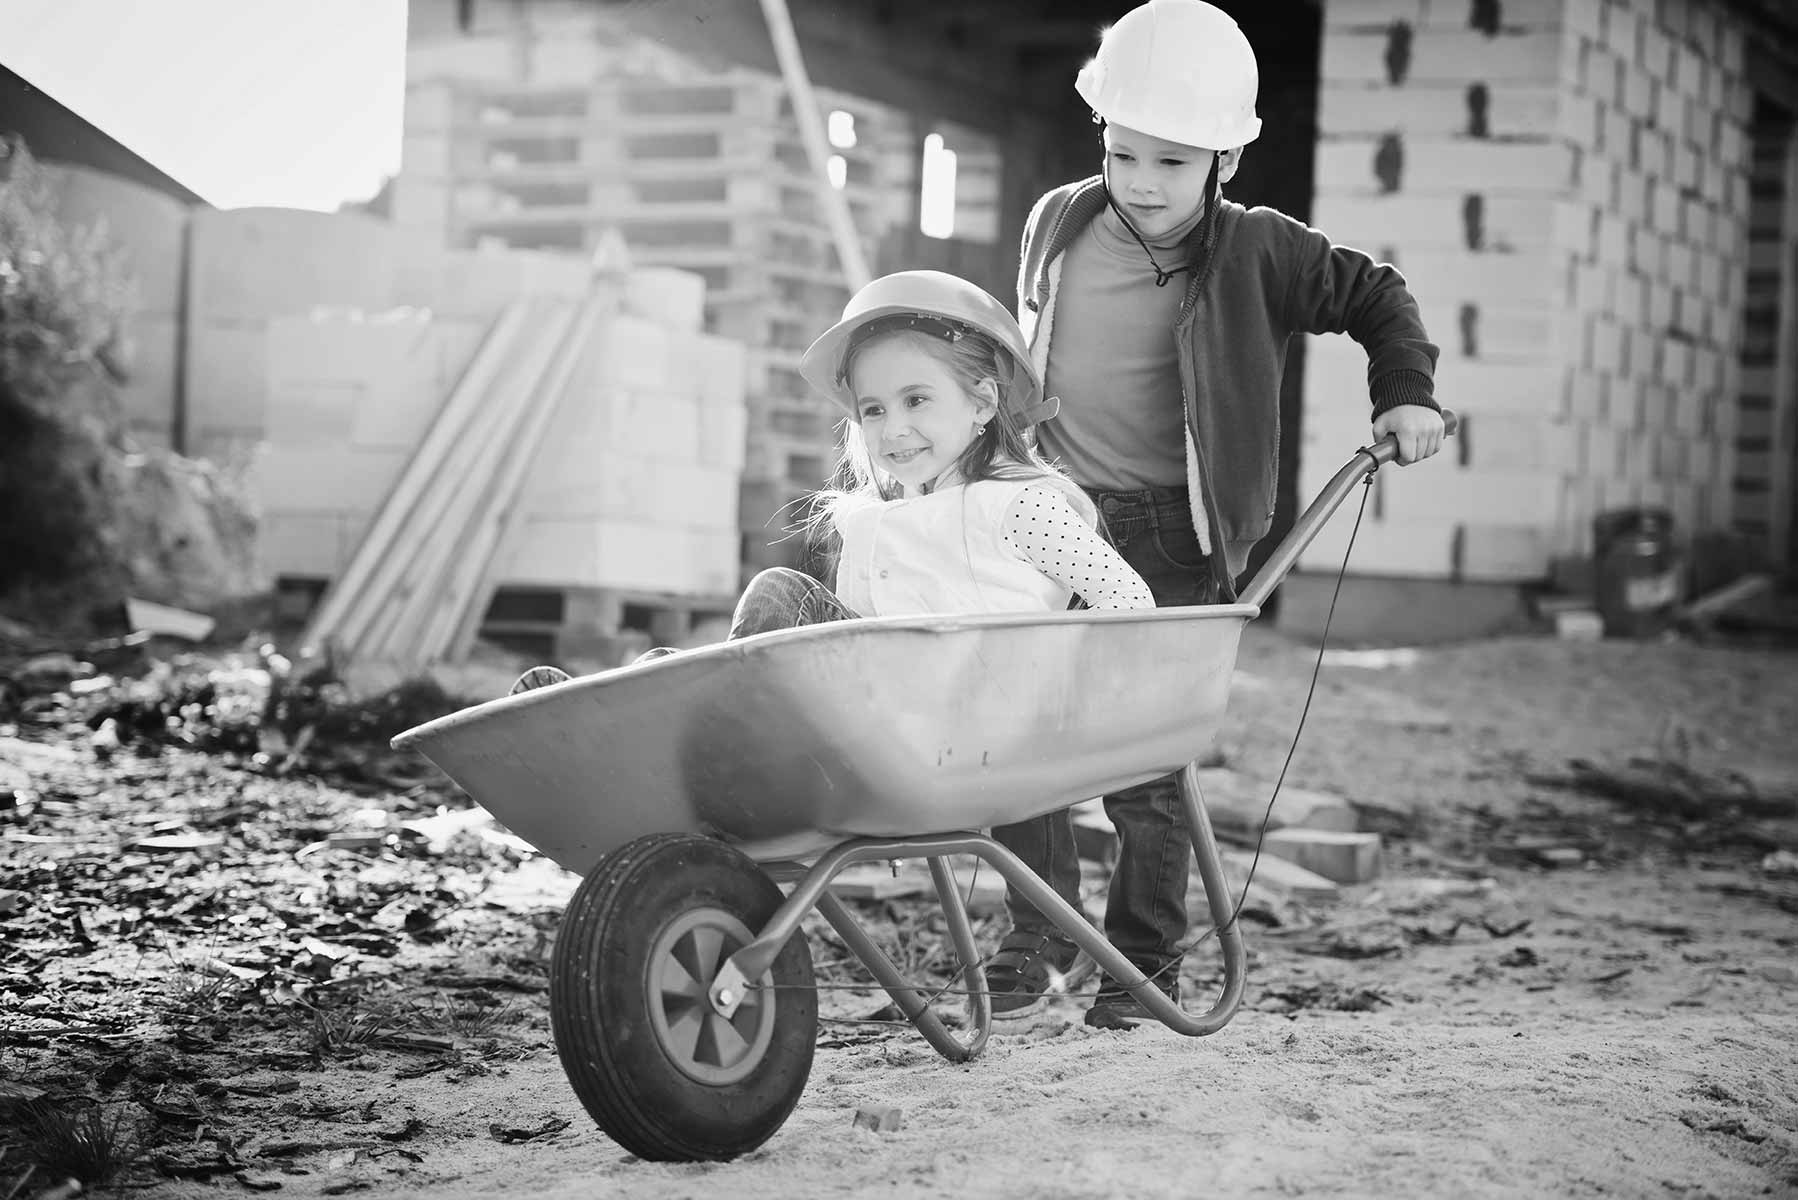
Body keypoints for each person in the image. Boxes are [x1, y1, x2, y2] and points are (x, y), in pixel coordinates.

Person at [987, 0, 1449, 1031]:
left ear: (1225, 161)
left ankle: (1141, 971)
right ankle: (1041, 939)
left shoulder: (1258, 251)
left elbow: (1376, 295)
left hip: (1172, 536)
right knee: (1019, 741)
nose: (1142, 184)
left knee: (1144, 770)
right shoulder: (1056, 220)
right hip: (1046, 514)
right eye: (1123, 155)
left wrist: (1404, 394)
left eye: (1171, 163)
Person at [509, 269, 1153, 696]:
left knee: (781, 592)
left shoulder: (1020, 507)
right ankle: (635, 702)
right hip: (871, 702)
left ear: (983, 403)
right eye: (874, 409)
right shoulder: (879, 518)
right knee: (723, 649)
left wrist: (1055, 694)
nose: (893, 429)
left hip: (958, 705)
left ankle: (651, 704)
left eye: (917, 400)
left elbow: (1129, 605)